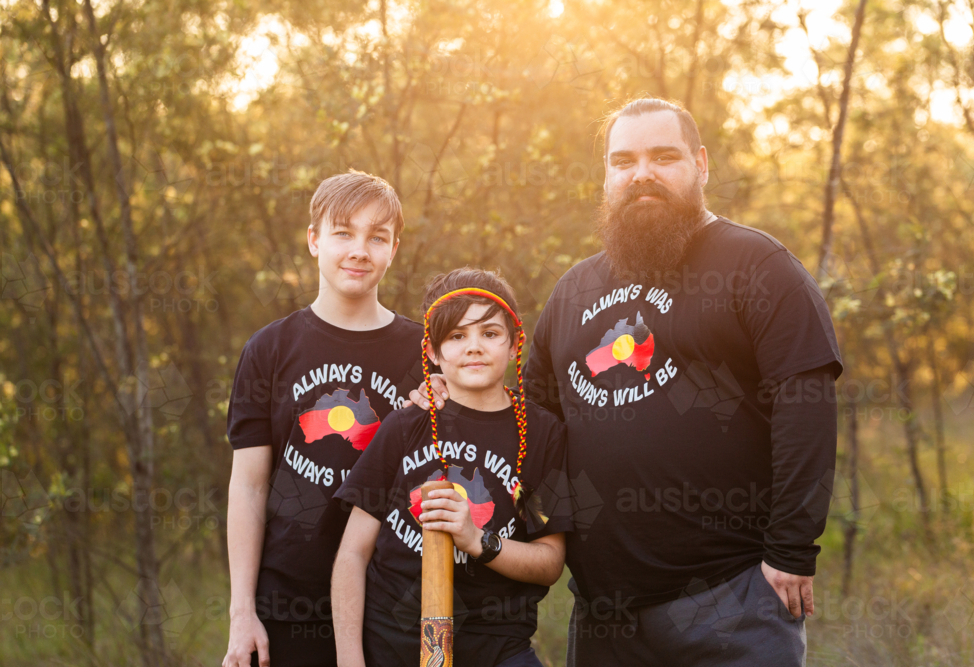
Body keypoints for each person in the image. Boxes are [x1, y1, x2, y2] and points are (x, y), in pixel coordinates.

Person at [410, 98, 843, 665]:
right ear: (607, 176)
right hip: (604, 617)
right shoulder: (575, 290)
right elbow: (530, 419)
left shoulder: (757, 266)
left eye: (664, 156)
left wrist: (791, 549)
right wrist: (454, 398)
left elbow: (804, 402)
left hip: (731, 602)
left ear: (702, 164)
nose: (642, 173)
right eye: (624, 160)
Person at [224, 171, 424, 667]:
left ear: (393, 249)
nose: (359, 249)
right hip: (287, 603)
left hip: (390, 605)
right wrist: (242, 612)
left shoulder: (424, 352)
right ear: (314, 241)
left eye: (377, 237)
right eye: (343, 232)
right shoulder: (269, 349)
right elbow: (248, 487)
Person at [331, 268, 572, 667]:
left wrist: (477, 540)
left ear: (515, 344)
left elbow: (549, 562)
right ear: (432, 351)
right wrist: (349, 659)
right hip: (394, 644)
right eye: (457, 336)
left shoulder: (542, 433)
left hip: (497, 648)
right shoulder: (406, 425)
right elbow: (353, 553)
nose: (474, 347)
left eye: (490, 334)